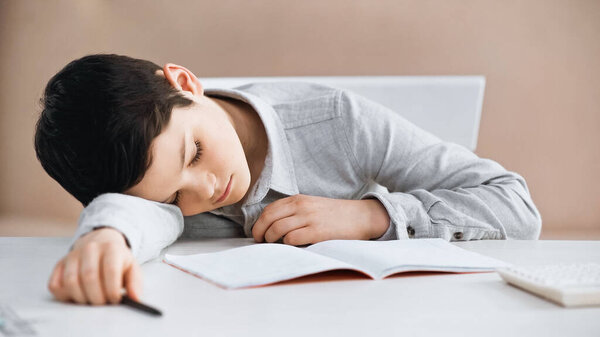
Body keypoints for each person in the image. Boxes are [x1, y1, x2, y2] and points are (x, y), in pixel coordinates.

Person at [34, 54, 542, 306]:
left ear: (185, 83)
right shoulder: (151, 193)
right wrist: (105, 234)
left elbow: (515, 206)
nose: (204, 191)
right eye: (173, 196)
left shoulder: (339, 121)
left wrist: (370, 216)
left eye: (195, 153)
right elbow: (133, 214)